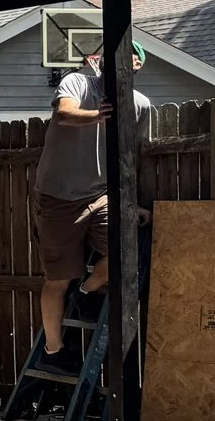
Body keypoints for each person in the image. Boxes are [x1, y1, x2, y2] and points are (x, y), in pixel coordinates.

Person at [32, 38, 150, 362]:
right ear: (100, 60)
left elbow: (132, 158)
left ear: (137, 65)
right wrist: (97, 115)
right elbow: (64, 113)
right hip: (57, 195)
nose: (118, 58)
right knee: (57, 279)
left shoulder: (140, 106)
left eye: (129, 55)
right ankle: (54, 351)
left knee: (125, 251)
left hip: (101, 195)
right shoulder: (78, 83)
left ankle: (87, 290)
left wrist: (130, 202)